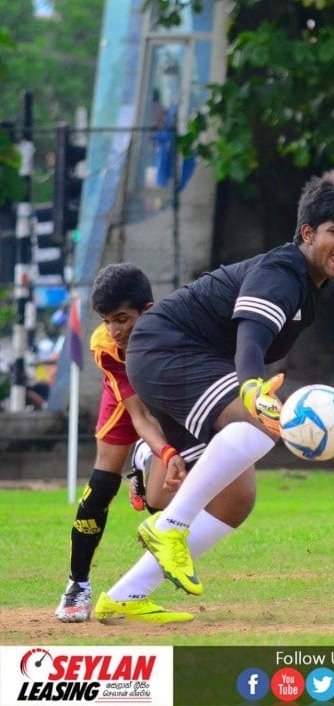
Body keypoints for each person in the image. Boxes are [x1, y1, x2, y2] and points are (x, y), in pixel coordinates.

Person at [94, 176, 334, 624]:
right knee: (258, 424)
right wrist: (250, 386)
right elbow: (252, 332)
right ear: (307, 233)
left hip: (179, 362)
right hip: (166, 350)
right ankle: (166, 526)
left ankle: (126, 594)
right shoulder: (283, 271)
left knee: (236, 498)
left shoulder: (310, 287)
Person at [55, 263, 186, 622]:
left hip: (164, 397)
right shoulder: (106, 347)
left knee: (164, 501)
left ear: (149, 310)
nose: (112, 330)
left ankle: (144, 467)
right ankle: (77, 585)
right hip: (126, 400)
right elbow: (138, 417)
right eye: (106, 320)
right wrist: (166, 450)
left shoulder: (177, 330)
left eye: (122, 320)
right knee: (101, 485)